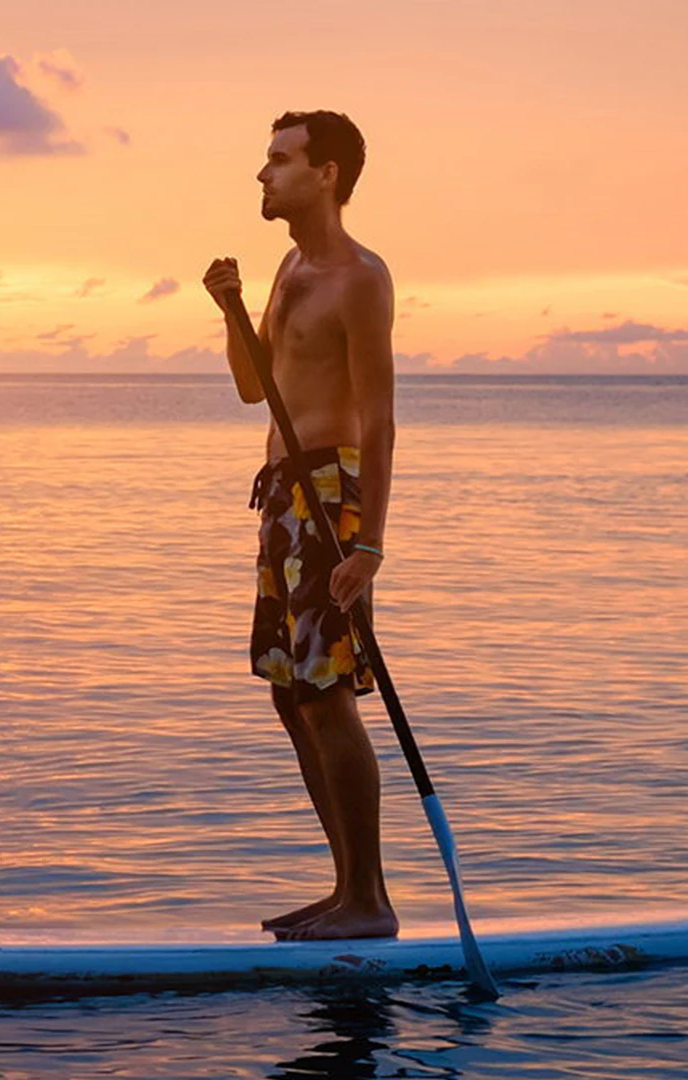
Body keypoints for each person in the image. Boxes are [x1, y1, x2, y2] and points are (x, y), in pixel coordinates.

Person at [202, 110, 399, 941]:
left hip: (331, 493)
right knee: (292, 693)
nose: (262, 173)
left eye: (280, 160)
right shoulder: (286, 268)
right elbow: (256, 387)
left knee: (326, 694)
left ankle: (371, 900)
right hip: (282, 491)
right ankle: (344, 888)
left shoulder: (359, 277)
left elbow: (382, 418)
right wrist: (230, 307)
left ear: (327, 174)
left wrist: (369, 544)